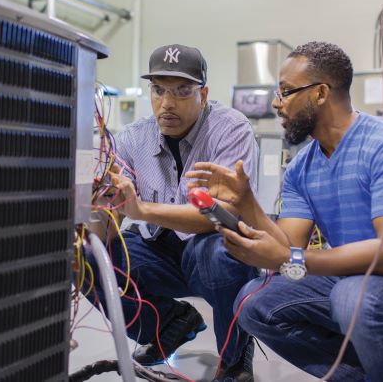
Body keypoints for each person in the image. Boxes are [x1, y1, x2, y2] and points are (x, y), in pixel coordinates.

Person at [186, 41, 383, 382]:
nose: (276, 102)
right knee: (253, 301)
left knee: (354, 297)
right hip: (356, 283)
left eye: (286, 91)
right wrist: (247, 204)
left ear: (320, 93)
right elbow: (287, 243)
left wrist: (294, 261)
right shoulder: (303, 166)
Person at [86, 44, 259, 381]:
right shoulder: (133, 139)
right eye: (158, 90)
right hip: (159, 250)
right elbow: (109, 225)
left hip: (213, 245)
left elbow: (220, 215)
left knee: (221, 255)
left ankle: (234, 354)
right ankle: (168, 323)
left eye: (182, 91)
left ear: (204, 93)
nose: (167, 103)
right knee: (87, 256)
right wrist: (92, 209)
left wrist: (141, 208)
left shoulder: (230, 129)